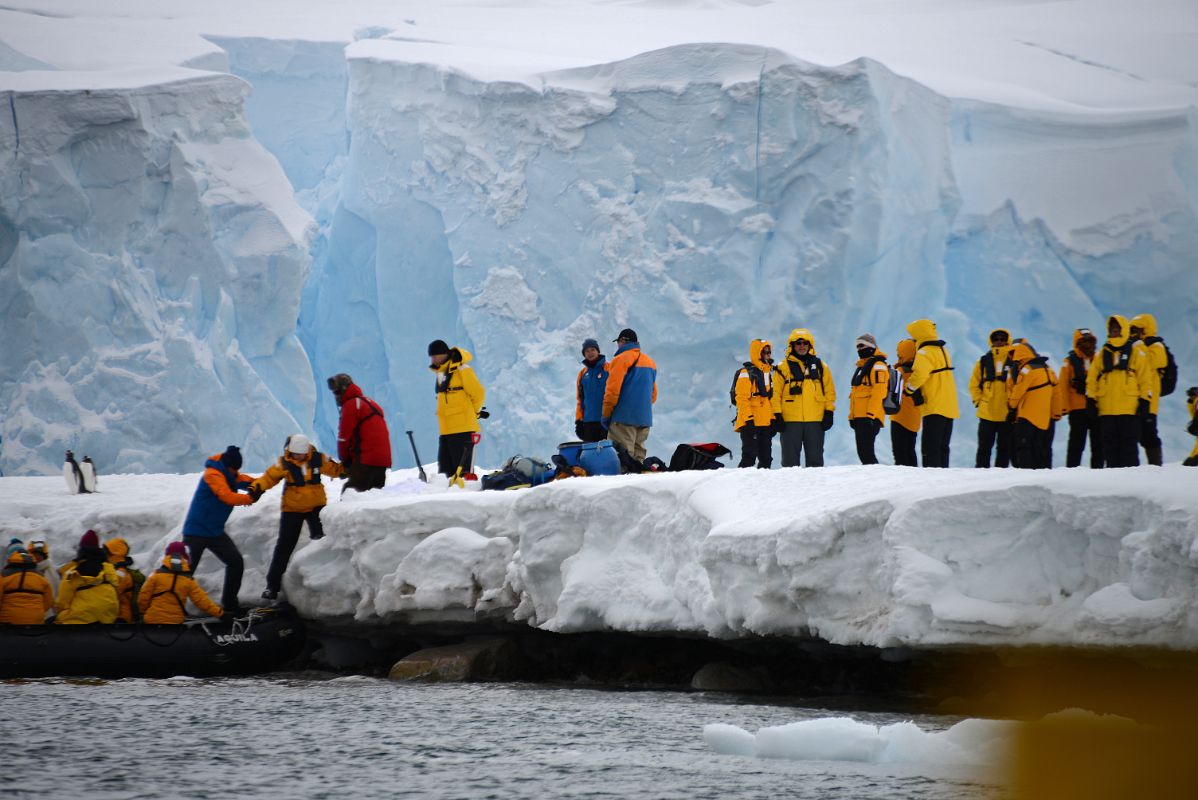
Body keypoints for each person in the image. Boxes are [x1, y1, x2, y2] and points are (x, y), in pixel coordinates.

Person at [249, 434, 345, 600]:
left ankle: (324, 582)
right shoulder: (284, 463)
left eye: (300, 454)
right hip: (292, 509)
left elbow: (336, 470)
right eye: (294, 454)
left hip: (316, 507)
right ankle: (272, 586)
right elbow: (269, 477)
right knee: (284, 547)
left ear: (307, 450)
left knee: (321, 542)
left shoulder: (318, 459)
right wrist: (256, 488)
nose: (297, 457)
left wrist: (350, 467)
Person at [181, 445, 256, 614]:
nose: (235, 472)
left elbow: (245, 481)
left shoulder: (229, 474)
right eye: (233, 468)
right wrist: (249, 497)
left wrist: (265, 483)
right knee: (184, 574)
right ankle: (174, 608)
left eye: (237, 469)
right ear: (227, 465)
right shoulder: (212, 475)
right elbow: (226, 496)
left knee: (236, 562)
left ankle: (230, 604)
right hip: (196, 532)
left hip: (214, 532)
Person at [1086, 315, 1152, 468]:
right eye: (1112, 329)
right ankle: (1113, 482)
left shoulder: (1136, 353)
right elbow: (1092, 378)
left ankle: (1132, 482)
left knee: (1129, 448)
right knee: (1110, 449)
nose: (1114, 331)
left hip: (1129, 409)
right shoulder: (1102, 354)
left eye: (1117, 329)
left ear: (1124, 330)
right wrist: (1090, 399)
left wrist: (1144, 400)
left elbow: (1145, 379)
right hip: (1107, 410)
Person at [774, 328, 835, 467]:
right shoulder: (782, 368)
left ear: (810, 345)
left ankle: (814, 488)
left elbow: (829, 392)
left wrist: (829, 412)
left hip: (815, 420)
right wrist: (776, 415)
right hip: (790, 421)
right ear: (792, 346)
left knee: (815, 462)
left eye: (805, 343)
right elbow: (775, 394)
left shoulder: (821, 367)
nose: (802, 346)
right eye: (798, 343)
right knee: (789, 463)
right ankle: (790, 488)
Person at [905, 319, 960, 468]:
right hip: (949, 406)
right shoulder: (942, 350)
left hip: (934, 404)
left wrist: (909, 388)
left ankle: (932, 482)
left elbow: (920, 375)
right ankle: (944, 479)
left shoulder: (924, 352)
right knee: (943, 447)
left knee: (930, 448)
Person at [427, 340, 487, 477]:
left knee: (463, 475)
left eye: (435, 356)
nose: (433, 359)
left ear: (443, 354)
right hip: (446, 430)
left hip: (463, 429)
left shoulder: (462, 370)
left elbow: (478, 393)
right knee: (444, 474)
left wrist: (475, 412)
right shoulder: (440, 373)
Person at [602, 329, 659, 465]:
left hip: (623, 418)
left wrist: (606, 414)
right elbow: (653, 395)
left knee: (622, 460)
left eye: (618, 342)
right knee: (638, 461)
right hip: (644, 418)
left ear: (622, 341)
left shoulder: (620, 359)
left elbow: (612, 391)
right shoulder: (650, 362)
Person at [328, 373, 392, 491]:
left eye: (337, 392)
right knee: (374, 497)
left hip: (365, 460)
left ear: (344, 390)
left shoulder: (351, 405)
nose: (336, 396)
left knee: (351, 496)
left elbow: (344, 437)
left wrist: (345, 460)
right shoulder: (370, 402)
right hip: (382, 461)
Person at [139, 542, 223, 624]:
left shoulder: (156, 576)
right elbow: (202, 601)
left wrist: (143, 611)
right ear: (184, 557)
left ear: (168, 555)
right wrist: (221, 614)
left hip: (152, 621)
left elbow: (143, 597)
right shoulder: (188, 580)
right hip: (175, 624)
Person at [1007, 342, 1059, 469]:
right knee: (1040, 448)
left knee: (1024, 447)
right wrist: (1056, 412)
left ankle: (1026, 475)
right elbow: (1057, 393)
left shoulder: (1026, 370)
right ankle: (1042, 476)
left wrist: (1012, 407)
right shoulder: (1048, 369)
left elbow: (1018, 391)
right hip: (1044, 417)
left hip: (1027, 415)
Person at [969, 328, 1014, 468]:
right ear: (991, 341)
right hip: (986, 412)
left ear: (1008, 341)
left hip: (1006, 413)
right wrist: (979, 401)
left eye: (1002, 339)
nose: (999, 342)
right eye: (996, 339)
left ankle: (1000, 478)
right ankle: (980, 476)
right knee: (983, 448)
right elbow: (973, 384)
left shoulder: (1014, 361)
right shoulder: (983, 362)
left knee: (1004, 449)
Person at [1057, 328, 1102, 468]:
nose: (1087, 344)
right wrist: (1064, 407)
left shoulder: (1099, 359)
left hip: (1096, 407)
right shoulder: (1069, 362)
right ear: (1077, 343)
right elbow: (1063, 385)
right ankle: (1072, 471)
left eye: (1090, 341)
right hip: (1077, 409)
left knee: (1098, 444)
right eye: (1084, 341)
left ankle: (1098, 472)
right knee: (1076, 444)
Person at [55, 530, 120, 624]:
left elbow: (62, 602)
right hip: (107, 619)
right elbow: (116, 591)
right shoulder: (109, 569)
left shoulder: (73, 573)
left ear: (82, 550)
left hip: (79, 621)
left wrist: (60, 616)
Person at [1129, 314, 1167, 466]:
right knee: (1132, 435)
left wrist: (1137, 343)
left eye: (1137, 330)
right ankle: (1134, 469)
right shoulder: (1134, 347)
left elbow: (1148, 362)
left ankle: (1155, 466)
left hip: (1150, 401)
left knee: (1149, 435)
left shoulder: (1157, 347)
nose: (1134, 333)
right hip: (1134, 399)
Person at [733, 339, 777, 469]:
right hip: (750, 423)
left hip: (764, 422)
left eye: (769, 352)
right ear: (758, 353)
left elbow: (768, 399)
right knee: (749, 458)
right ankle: (740, 485)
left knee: (766, 459)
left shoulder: (767, 373)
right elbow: (741, 399)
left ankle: (760, 487)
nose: (768, 354)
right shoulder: (745, 373)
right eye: (765, 352)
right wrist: (748, 419)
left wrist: (772, 419)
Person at [847, 334, 888, 465]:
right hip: (860, 417)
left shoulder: (878, 366)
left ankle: (876, 479)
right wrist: (852, 417)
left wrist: (871, 415)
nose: (859, 349)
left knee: (866, 453)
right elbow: (855, 394)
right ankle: (873, 479)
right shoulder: (862, 367)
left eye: (862, 345)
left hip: (869, 417)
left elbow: (879, 391)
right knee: (863, 453)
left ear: (871, 346)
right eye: (857, 346)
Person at [0, 548, 54, 624]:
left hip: (9, 620)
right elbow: (48, 601)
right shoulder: (41, 578)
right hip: (36, 620)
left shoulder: (3, 576)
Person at [889, 338, 921, 466]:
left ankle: (904, 480)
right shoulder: (918, 372)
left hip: (900, 417)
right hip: (914, 417)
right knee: (910, 450)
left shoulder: (901, 372)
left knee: (899, 453)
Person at [574, 338, 610, 443]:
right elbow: (580, 399)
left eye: (592, 350)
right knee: (590, 454)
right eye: (587, 351)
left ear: (598, 351)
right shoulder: (582, 374)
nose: (590, 353)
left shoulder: (610, 368)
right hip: (589, 422)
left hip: (607, 420)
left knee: (607, 453)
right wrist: (578, 421)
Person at [104, 537, 144, 623]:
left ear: (114, 554)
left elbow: (112, 594)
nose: (105, 556)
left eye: (107, 553)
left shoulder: (120, 573)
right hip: (117, 613)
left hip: (122, 616)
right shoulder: (117, 569)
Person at [1184, 387, 1198, 467]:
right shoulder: (1194, 403)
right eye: (1189, 394)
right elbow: (1193, 414)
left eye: (1192, 394)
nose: (1190, 396)